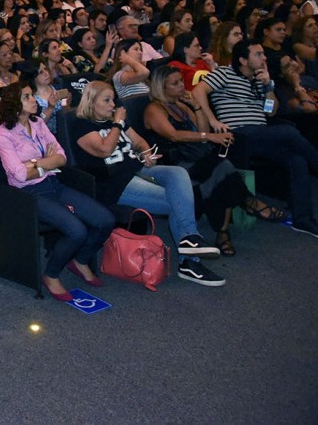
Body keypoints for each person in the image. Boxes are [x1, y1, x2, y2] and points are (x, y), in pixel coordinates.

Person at [72, 81, 224, 286]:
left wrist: (145, 154)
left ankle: (190, 240)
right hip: (116, 182)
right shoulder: (81, 125)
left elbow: (139, 141)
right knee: (177, 203)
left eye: (113, 100)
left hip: (138, 169)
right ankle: (190, 261)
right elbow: (104, 149)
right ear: (91, 102)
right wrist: (117, 124)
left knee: (178, 173)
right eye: (106, 100)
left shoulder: (116, 120)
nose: (112, 105)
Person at [192, 40, 318, 239]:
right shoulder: (224, 73)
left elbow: (271, 111)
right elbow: (197, 91)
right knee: (287, 131)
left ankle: (303, 220)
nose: (264, 57)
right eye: (258, 54)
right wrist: (212, 120)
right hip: (238, 136)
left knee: (297, 159)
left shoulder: (259, 80)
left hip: (260, 135)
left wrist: (268, 86)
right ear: (243, 59)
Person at [0, 82, 115, 300]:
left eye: (31, 95)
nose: (34, 100)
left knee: (105, 219)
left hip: (53, 185)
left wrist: (36, 164)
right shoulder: (4, 134)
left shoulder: (39, 122)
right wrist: (46, 162)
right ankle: (51, 274)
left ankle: (80, 259)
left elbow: (62, 157)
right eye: (27, 97)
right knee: (77, 230)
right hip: (28, 195)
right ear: (14, 104)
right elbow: (20, 175)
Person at [144, 67, 278, 256]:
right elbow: (174, 136)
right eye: (176, 83)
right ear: (161, 87)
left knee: (221, 170)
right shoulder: (154, 109)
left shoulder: (180, 106)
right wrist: (210, 137)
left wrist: (197, 107)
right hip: (175, 163)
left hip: (195, 156)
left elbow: (202, 130)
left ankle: (226, 229)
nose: (182, 85)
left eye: (182, 81)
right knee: (221, 167)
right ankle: (244, 208)